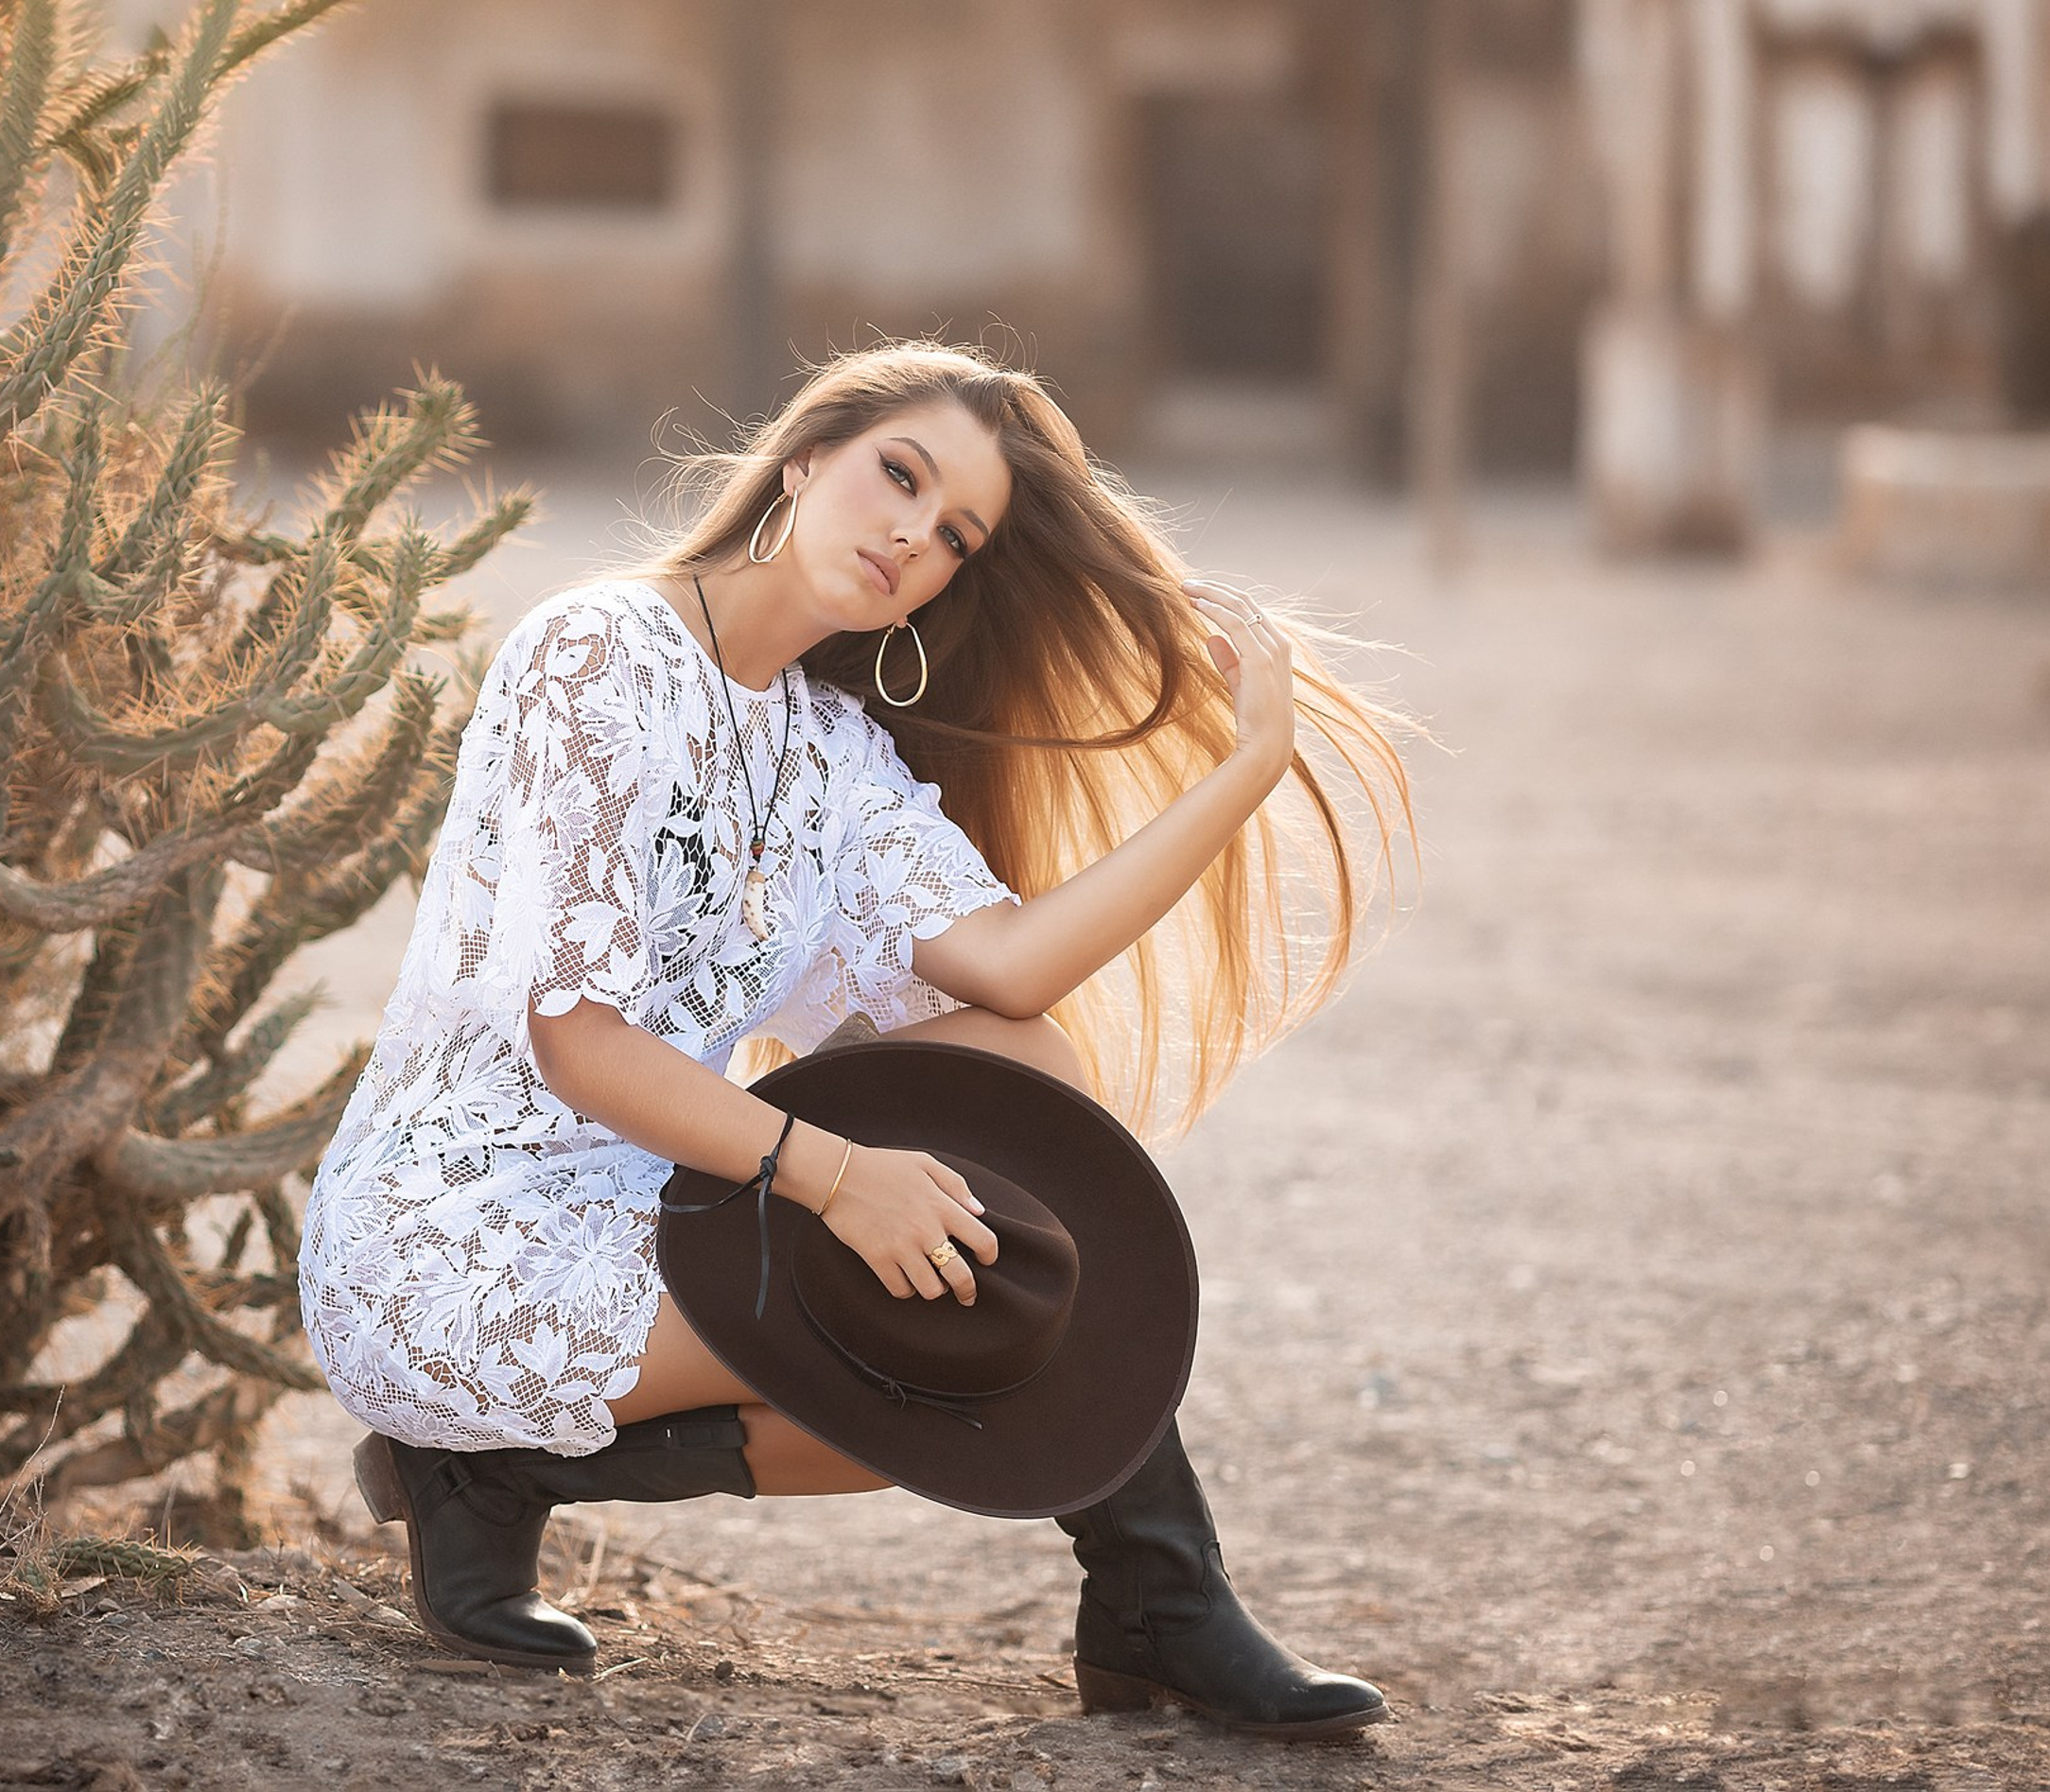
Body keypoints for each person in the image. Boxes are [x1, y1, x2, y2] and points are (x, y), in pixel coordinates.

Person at [298, 342, 1415, 1736]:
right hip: (452, 1231)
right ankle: (1160, 1600)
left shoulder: (829, 748)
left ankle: (497, 1478)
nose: (912, 535)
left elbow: (1009, 968)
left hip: (657, 1204)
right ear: (807, 455)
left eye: (954, 536)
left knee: (1021, 1146)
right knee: (958, 1333)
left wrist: (1244, 772)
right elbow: (579, 1045)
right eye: (900, 475)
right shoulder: (598, 655)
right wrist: (838, 1175)